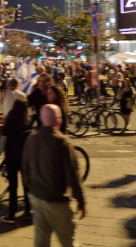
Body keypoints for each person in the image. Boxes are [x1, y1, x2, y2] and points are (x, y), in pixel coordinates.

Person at [23, 104, 85, 247]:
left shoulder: (32, 138)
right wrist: (81, 201)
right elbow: (73, 175)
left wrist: (30, 188)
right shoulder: (62, 141)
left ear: (41, 119)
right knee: (68, 240)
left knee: (41, 239)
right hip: (57, 201)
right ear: (58, 119)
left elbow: (25, 168)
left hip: (37, 197)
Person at [0, 98, 31, 224]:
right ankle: (28, 211)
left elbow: (4, 132)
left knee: (13, 186)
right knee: (26, 185)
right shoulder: (27, 120)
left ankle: (11, 214)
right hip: (24, 157)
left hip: (12, 157)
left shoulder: (11, 119)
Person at [0, 78, 26, 166]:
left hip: (6, 118)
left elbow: (1, 102)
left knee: (3, 139)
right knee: (17, 140)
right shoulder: (22, 95)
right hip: (18, 120)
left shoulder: (4, 92)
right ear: (17, 85)